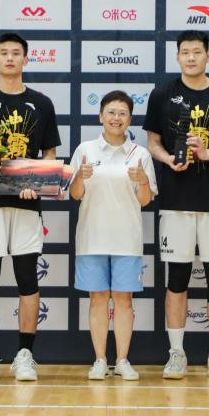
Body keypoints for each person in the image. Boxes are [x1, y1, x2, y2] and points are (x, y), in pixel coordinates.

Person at [144, 30, 209, 380]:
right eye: (185, 52)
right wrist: (168, 160)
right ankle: (177, 353)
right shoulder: (163, 93)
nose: (191, 57)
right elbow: (153, 141)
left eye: (197, 52)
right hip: (176, 201)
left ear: (208, 56)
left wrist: (207, 154)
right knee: (177, 279)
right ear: (177, 57)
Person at [0, 33, 60, 381]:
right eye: (3, 53)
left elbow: (49, 154)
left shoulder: (41, 103)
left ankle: (24, 355)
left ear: (25, 59)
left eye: (15, 53)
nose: (9, 58)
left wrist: (39, 183)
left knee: (27, 278)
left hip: (26, 204)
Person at [69, 90, 157, 381]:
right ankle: (99, 360)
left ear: (129, 119)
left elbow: (145, 200)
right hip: (92, 238)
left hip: (127, 240)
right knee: (97, 299)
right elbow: (75, 194)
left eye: (122, 113)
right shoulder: (85, 150)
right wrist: (79, 176)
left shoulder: (140, 154)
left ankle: (121, 360)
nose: (116, 118)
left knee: (123, 300)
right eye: (111, 112)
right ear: (100, 116)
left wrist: (143, 181)